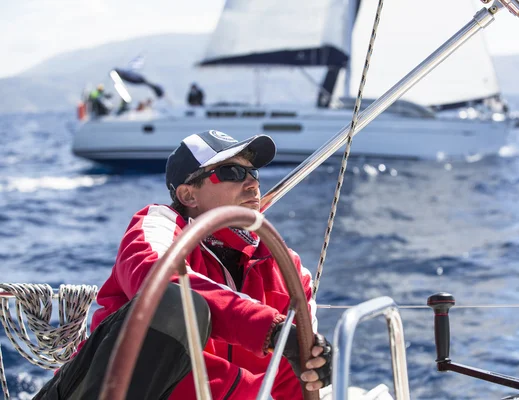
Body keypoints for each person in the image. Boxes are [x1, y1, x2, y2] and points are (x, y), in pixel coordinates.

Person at [34, 130, 332, 400]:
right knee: (176, 302)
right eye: (232, 171)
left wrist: (313, 361)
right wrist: (273, 331)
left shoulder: (286, 268)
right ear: (188, 194)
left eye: (252, 172)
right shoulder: (157, 225)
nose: (252, 183)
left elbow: (294, 381)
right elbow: (159, 285)